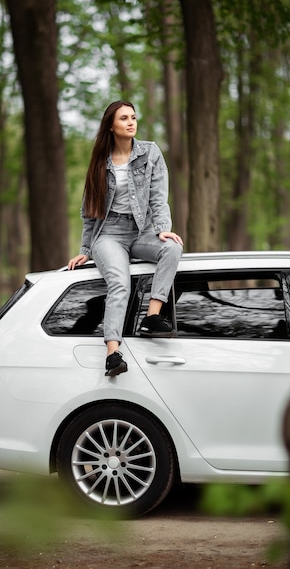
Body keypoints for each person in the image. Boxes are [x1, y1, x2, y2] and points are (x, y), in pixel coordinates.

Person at [68, 101, 183, 377]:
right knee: (120, 283)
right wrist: (85, 249)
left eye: (133, 117)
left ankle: (152, 316)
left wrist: (162, 228)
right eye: (124, 118)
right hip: (109, 235)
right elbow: (89, 212)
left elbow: (158, 196)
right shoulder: (100, 162)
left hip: (142, 231)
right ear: (111, 126)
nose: (131, 122)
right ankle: (112, 353)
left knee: (172, 248)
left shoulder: (150, 153)